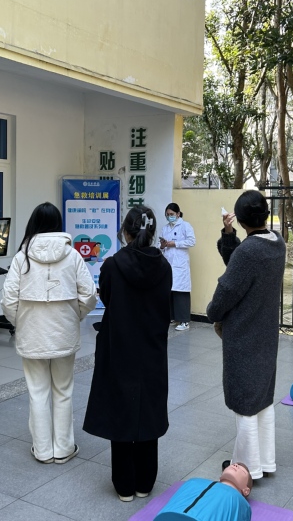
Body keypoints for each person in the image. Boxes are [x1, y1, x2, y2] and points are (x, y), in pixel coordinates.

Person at [83, 205, 172, 502]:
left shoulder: (112, 265)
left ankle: (123, 485)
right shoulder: (164, 266)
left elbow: (107, 298)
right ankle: (145, 482)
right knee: (148, 409)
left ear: (125, 231)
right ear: (153, 232)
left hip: (119, 346)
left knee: (120, 410)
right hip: (152, 348)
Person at [1, 202, 97, 464]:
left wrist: (21, 322)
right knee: (63, 390)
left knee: (37, 391)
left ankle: (42, 450)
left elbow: (8, 300)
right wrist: (74, 316)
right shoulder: (73, 255)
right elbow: (89, 295)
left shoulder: (21, 257)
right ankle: (64, 448)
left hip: (32, 335)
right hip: (64, 334)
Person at [207, 191, 286, 481]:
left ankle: (245, 468)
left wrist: (212, 312)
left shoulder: (249, 252)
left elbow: (229, 287)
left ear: (240, 220)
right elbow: (240, 266)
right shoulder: (277, 242)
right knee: (262, 397)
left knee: (244, 400)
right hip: (265, 331)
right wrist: (229, 235)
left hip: (244, 333)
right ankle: (265, 461)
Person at [154, 462, 253, 521]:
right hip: (169, 515)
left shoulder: (240, 503)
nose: (235, 465)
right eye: (233, 464)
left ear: (246, 491)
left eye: (242, 470)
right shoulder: (193, 482)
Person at [159, 202, 196, 331]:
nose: (169, 216)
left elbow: (192, 241)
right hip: (168, 263)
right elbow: (161, 246)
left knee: (181, 291)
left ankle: (184, 321)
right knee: (169, 290)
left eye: (172, 214)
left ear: (178, 214)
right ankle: (172, 317)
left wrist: (175, 243)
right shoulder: (165, 228)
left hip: (180, 264)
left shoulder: (185, 226)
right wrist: (162, 245)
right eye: (167, 214)